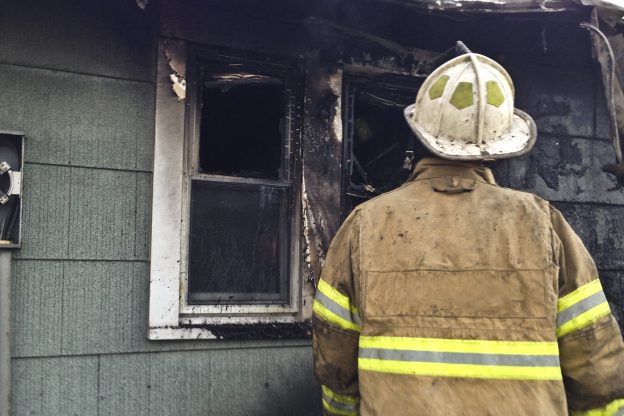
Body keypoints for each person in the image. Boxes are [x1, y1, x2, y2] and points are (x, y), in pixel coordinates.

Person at [312, 53, 624, 416]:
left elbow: (334, 356)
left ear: (418, 137)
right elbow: (595, 362)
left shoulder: (364, 224)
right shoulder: (544, 224)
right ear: (499, 151)